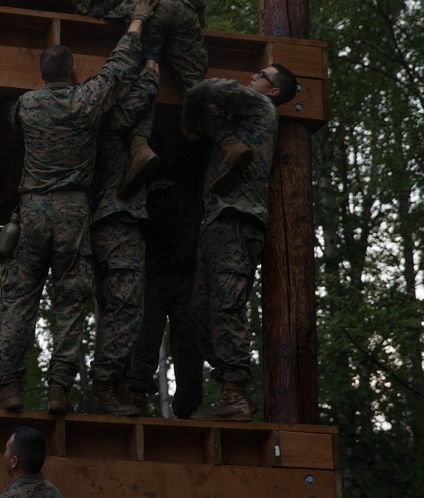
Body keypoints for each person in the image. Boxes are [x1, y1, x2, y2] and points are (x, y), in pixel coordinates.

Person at [0, 0, 159, 414]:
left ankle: (9, 388)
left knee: (19, 301)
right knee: (69, 301)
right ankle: (58, 390)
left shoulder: (27, 106)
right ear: (73, 70)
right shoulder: (87, 101)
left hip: (30, 211)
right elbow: (119, 68)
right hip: (71, 213)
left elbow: (10, 115)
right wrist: (137, 20)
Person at [182, 66, 299, 421]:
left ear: (273, 91)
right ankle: (231, 386)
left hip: (238, 220)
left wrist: (189, 107)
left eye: (261, 74)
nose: (253, 77)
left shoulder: (262, 107)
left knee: (226, 306)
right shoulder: (245, 118)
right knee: (199, 313)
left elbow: (212, 87)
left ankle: (235, 394)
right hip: (218, 221)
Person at [67, 0, 211, 194]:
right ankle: (228, 140)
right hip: (184, 10)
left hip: (151, 11)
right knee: (193, 83)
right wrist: (198, 21)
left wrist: (90, 10)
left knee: (139, 75)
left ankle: (140, 145)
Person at [87, 33, 163, 416]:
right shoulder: (105, 119)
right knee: (127, 307)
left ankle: (103, 389)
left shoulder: (80, 114)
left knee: (109, 305)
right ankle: (103, 389)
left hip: (95, 223)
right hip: (117, 220)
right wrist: (151, 61)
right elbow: (135, 102)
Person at [125, 143, 207, 419]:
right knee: (145, 336)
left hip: (186, 271)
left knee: (188, 341)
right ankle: (137, 396)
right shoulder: (141, 185)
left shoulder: (190, 172)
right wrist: (145, 197)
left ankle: (188, 407)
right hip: (155, 273)